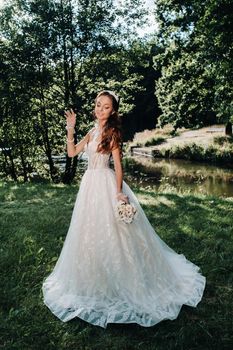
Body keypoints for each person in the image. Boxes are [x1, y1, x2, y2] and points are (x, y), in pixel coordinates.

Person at [42, 90, 206, 329]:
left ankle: (124, 276)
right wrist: (70, 128)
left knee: (117, 232)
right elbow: (71, 153)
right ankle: (93, 276)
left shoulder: (113, 133)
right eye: (98, 105)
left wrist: (119, 192)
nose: (100, 109)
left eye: (106, 107)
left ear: (113, 111)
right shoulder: (91, 132)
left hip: (106, 184)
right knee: (89, 231)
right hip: (89, 185)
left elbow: (118, 166)